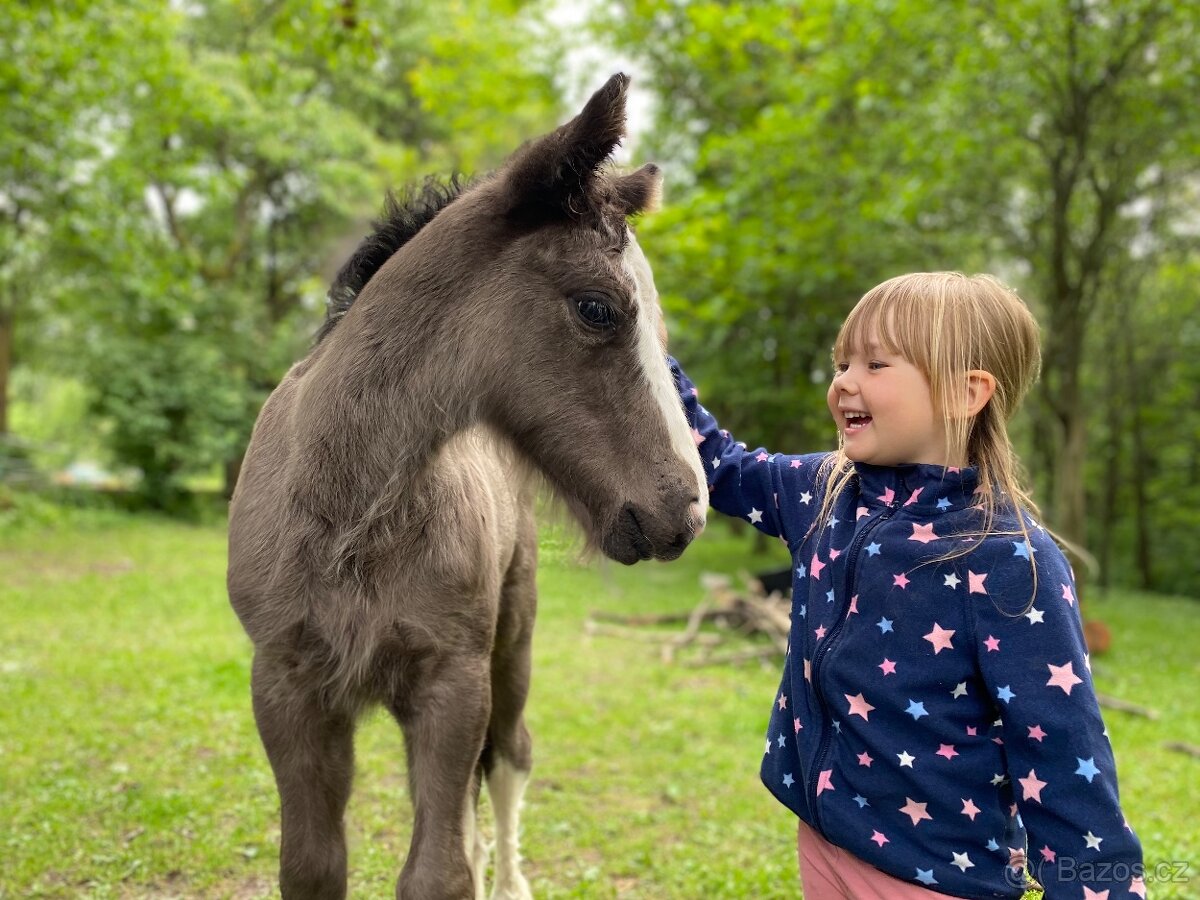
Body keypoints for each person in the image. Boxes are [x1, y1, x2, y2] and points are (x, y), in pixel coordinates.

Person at [671, 272, 1144, 899]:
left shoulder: (1007, 559)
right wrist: (647, 353)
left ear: (964, 392)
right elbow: (720, 465)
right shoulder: (823, 492)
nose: (844, 382)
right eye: (842, 363)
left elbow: (1062, 750)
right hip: (826, 835)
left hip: (936, 871)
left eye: (874, 363)